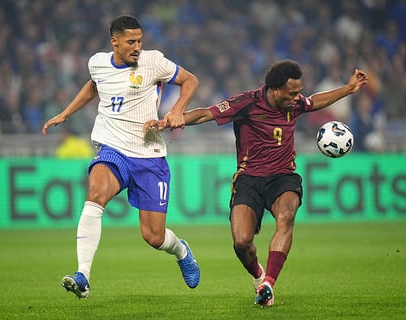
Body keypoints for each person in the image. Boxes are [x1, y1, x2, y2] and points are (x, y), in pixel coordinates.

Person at [145, 59, 368, 307]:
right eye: (292, 93)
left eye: (298, 92)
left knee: (285, 218)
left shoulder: (294, 104)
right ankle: (258, 275)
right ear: (275, 90)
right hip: (249, 180)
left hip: (284, 177)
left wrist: (348, 88)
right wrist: (171, 120)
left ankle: (268, 283)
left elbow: (315, 101)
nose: (297, 98)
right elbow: (207, 113)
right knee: (241, 242)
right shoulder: (247, 103)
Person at [41, 15, 200, 299]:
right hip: (113, 149)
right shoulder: (97, 62)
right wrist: (66, 113)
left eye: (140, 41)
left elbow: (190, 80)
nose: (137, 46)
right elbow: (94, 86)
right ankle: (83, 276)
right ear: (114, 41)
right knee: (95, 194)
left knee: (154, 237)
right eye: (130, 42)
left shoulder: (154, 62)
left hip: (149, 155)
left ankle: (181, 251)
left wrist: (177, 110)